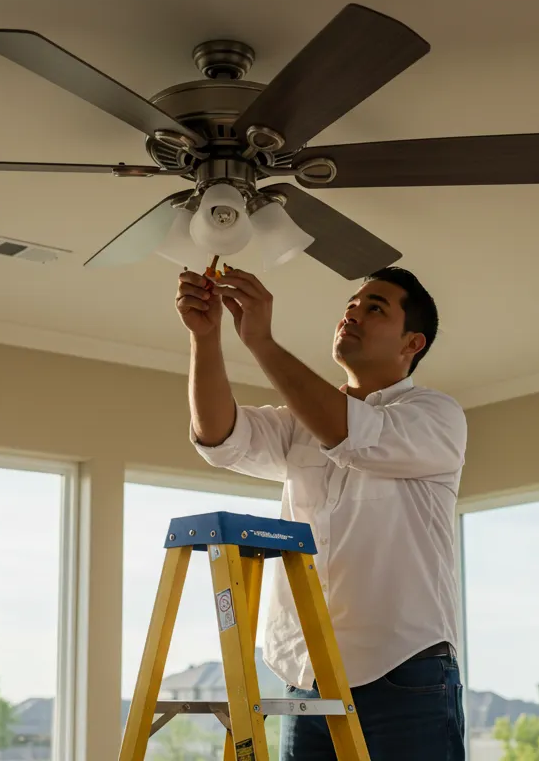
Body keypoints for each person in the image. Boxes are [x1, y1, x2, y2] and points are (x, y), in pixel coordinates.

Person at [176, 262, 468, 760]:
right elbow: (220, 438)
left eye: (374, 308)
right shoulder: (301, 424)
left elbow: (349, 434)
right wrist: (205, 338)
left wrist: (261, 342)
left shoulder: (436, 417)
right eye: (350, 305)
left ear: (412, 343)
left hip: (402, 674)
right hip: (307, 675)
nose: (352, 314)